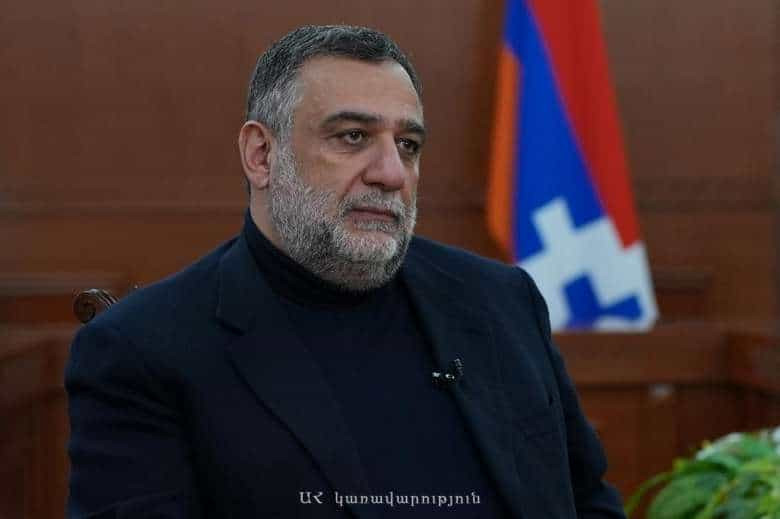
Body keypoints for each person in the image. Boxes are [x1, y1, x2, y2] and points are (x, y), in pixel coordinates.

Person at [66, 25, 626, 518]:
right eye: (353, 136)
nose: (391, 173)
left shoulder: (501, 300)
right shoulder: (144, 348)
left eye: (407, 144)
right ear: (261, 155)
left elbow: (586, 501)